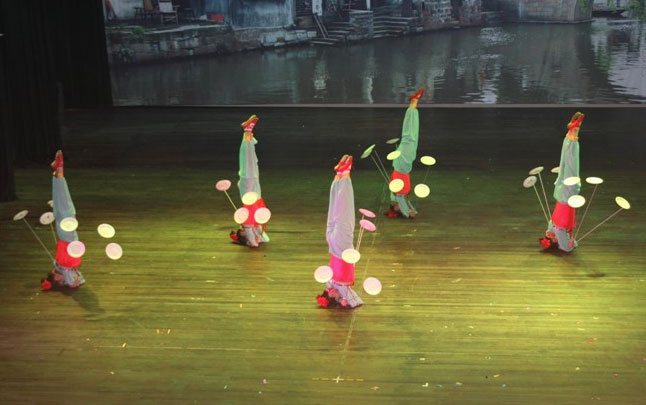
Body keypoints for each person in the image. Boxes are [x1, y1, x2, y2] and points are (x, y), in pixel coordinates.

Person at [316, 155, 363, 309]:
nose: (332, 292)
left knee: (345, 208)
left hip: (341, 244)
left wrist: (344, 301)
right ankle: (338, 176)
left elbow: (356, 301)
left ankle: (345, 173)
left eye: (332, 295)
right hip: (331, 241)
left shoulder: (341, 285)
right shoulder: (330, 281)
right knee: (335, 207)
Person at [41, 151, 85, 290]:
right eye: (61, 281)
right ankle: (56, 173)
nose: (61, 279)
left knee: (65, 205)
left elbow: (69, 280)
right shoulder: (68, 272)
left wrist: (50, 283)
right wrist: (75, 282)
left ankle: (59, 172)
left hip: (66, 236)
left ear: (54, 275)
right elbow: (77, 280)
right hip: (68, 236)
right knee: (62, 204)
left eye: (57, 279)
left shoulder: (61, 267)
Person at [540, 112, 585, 253]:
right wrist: (569, 239)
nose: (549, 235)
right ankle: (572, 130)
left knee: (571, 163)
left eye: (548, 237)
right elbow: (553, 231)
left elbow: (566, 248)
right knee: (565, 161)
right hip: (559, 194)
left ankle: (574, 130)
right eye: (550, 238)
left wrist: (570, 243)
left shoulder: (558, 231)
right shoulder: (553, 227)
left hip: (566, 196)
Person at [229, 115, 269, 248]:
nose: (241, 227)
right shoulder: (253, 224)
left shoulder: (247, 221)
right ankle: (249, 135)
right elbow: (265, 239)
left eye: (240, 229)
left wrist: (250, 240)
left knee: (246, 160)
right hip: (255, 189)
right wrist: (257, 237)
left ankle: (247, 132)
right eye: (242, 230)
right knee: (253, 160)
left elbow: (254, 243)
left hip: (247, 187)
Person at [386, 87, 423, 219]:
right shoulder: (397, 196)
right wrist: (412, 210)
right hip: (403, 164)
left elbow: (402, 203)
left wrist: (408, 213)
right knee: (413, 136)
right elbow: (406, 203)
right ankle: (414, 105)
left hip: (402, 165)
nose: (398, 206)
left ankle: (413, 103)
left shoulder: (396, 196)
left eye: (396, 208)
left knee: (408, 136)